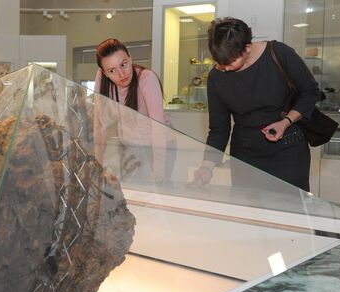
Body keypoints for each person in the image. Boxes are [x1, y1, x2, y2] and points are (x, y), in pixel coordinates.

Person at [192, 17, 318, 191]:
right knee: (251, 214)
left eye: (230, 62)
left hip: (288, 150)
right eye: (221, 63)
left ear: (247, 47)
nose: (226, 68)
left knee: (289, 210)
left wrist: (286, 122)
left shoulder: (279, 54)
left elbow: (310, 92)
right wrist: (207, 166)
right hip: (245, 155)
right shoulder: (216, 77)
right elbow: (219, 129)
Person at [94, 38, 175, 182]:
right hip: (130, 146)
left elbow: (158, 127)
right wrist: (97, 165)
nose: (121, 74)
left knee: (156, 192)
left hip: (159, 144)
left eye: (123, 64)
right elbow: (99, 124)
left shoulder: (146, 78)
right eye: (112, 70)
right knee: (129, 194)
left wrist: (158, 171)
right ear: (104, 72)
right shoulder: (101, 78)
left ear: (130, 58)